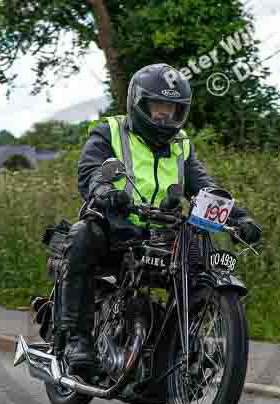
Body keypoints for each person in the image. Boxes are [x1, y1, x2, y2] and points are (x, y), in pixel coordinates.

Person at [60, 63, 262, 380]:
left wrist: (240, 219)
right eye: (158, 106)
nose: (164, 115)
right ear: (139, 104)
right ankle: (78, 340)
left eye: (171, 108)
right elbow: (90, 172)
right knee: (83, 235)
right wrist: (103, 191)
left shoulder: (181, 145)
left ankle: (184, 345)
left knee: (202, 263)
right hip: (117, 229)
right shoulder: (110, 132)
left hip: (164, 234)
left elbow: (204, 186)